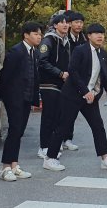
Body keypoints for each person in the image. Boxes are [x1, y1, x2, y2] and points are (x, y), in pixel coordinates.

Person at [43, 23, 107, 172]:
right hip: (72, 95)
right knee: (63, 126)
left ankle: (105, 158)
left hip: (90, 97)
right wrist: (85, 91)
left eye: (102, 33)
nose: (100, 36)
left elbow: (104, 74)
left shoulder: (102, 53)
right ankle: (50, 159)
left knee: (98, 126)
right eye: (96, 33)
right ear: (89, 36)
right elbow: (73, 71)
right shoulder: (80, 50)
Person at [0, 21, 42, 182]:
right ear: (26, 35)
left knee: (19, 132)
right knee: (15, 130)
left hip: (26, 97)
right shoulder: (16, 51)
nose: (39, 37)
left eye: (40, 34)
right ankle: (5, 167)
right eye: (36, 33)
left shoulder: (35, 52)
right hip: (14, 98)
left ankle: (14, 165)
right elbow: (5, 76)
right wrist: (5, 97)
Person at [37, 14, 70, 159]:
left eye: (66, 22)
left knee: (57, 115)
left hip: (61, 84)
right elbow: (42, 61)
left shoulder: (65, 41)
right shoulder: (49, 40)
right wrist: (60, 73)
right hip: (48, 83)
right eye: (61, 23)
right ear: (55, 25)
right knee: (48, 116)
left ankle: (51, 145)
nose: (65, 25)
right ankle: (43, 147)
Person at [64, 11, 86, 151]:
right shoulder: (64, 38)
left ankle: (68, 138)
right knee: (62, 111)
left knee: (72, 111)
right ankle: (57, 139)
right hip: (64, 76)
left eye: (81, 22)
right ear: (70, 23)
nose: (79, 25)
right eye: (76, 22)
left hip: (77, 78)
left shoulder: (83, 39)